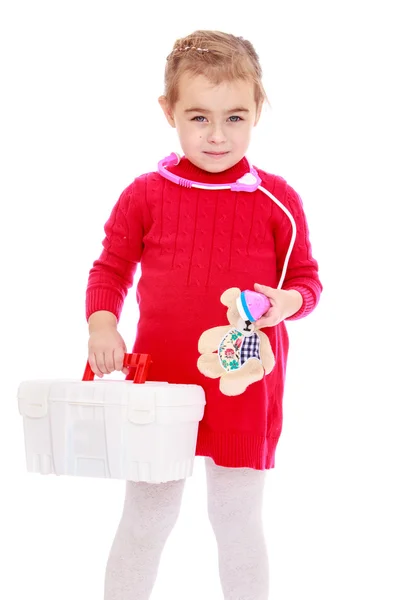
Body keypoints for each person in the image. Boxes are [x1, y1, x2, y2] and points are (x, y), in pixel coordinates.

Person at [86, 29, 322, 600]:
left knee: (236, 520)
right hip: (160, 387)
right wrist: (101, 322)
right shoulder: (145, 194)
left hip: (243, 384)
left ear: (257, 111)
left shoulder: (278, 200)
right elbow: (111, 268)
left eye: (235, 118)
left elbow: (307, 281)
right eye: (199, 118)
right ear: (169, 112)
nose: (217, 136)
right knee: (147, 518)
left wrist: (287, 303)